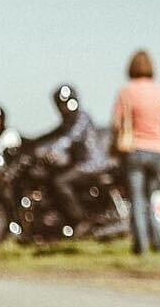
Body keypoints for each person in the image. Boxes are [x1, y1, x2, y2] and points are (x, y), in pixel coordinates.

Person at [112, 50, 160, 255]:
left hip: (134, 151)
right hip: (156, 152)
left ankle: (142, 247)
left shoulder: (126, 91)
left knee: (137, 201)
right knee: (150, 200)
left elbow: (116, 123)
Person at [33, 84, 110, 235]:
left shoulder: (81, 118)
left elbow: (69, 137)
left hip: (92, 165)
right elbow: (53, 134)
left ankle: (79, 220)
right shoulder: (68, 122)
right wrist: (31, 143)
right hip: (81, 164)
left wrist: (53, 150)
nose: (62, 109)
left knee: (60, 181)